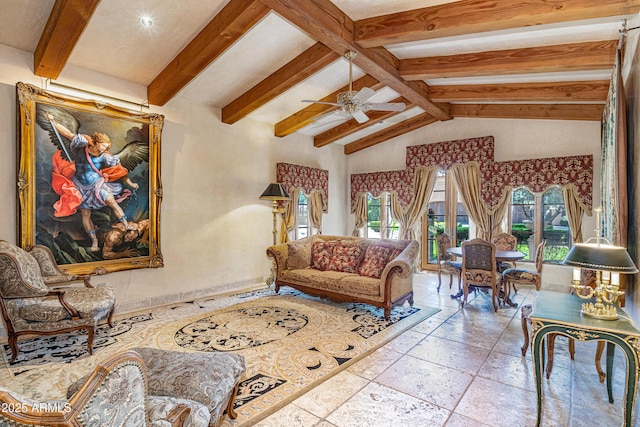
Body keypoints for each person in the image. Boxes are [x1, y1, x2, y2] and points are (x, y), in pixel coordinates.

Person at [45, 112, 138, 252]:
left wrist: (128, 181)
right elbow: (68, 134)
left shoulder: (105, 157)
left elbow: (118, 168)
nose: (105, 148)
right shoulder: (82, 146)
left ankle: (125, 224)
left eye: (106, 146)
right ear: (97, 142)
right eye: (103, 145)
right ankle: (94, 241)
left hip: (97, 184)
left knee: (112, 202)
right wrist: (53, 121)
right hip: (80, 186)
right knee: (85, 214)